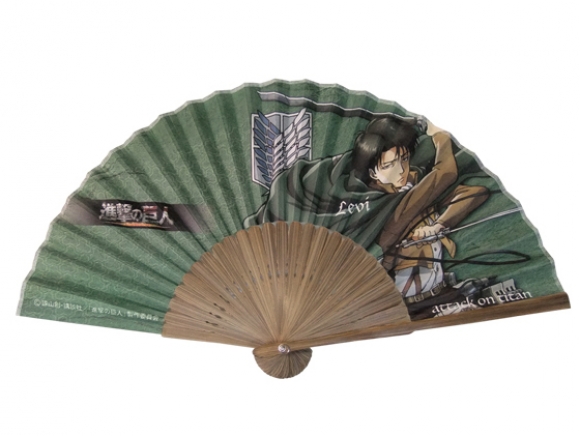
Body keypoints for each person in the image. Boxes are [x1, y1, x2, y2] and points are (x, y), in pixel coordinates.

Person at [353, 116, 489, 303]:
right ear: (372, 172)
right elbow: (446, 173)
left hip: (437, 293)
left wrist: (439, 225)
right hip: (400, 305)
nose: (401, 170)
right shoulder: (383, 206)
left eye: (404, 159)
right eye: (389, 165)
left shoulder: (411, 185)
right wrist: (440, 136)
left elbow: (475, 193)